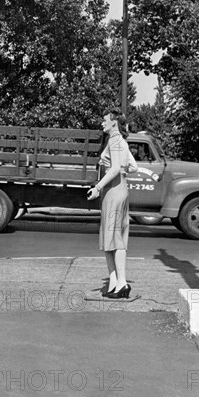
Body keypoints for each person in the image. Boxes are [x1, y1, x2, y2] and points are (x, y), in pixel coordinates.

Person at [87, 109, 138, 299]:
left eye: (105, 120)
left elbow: (115, 168)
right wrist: (120, 171)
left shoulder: (115, 141)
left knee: (114, 238)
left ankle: (122, 283)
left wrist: (98, 187)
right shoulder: (122, 142)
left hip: (113, 192)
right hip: (120, 190)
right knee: (112, 236)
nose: (102, 123)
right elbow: (132, 167)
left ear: (114, 122)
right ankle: (114, 283)